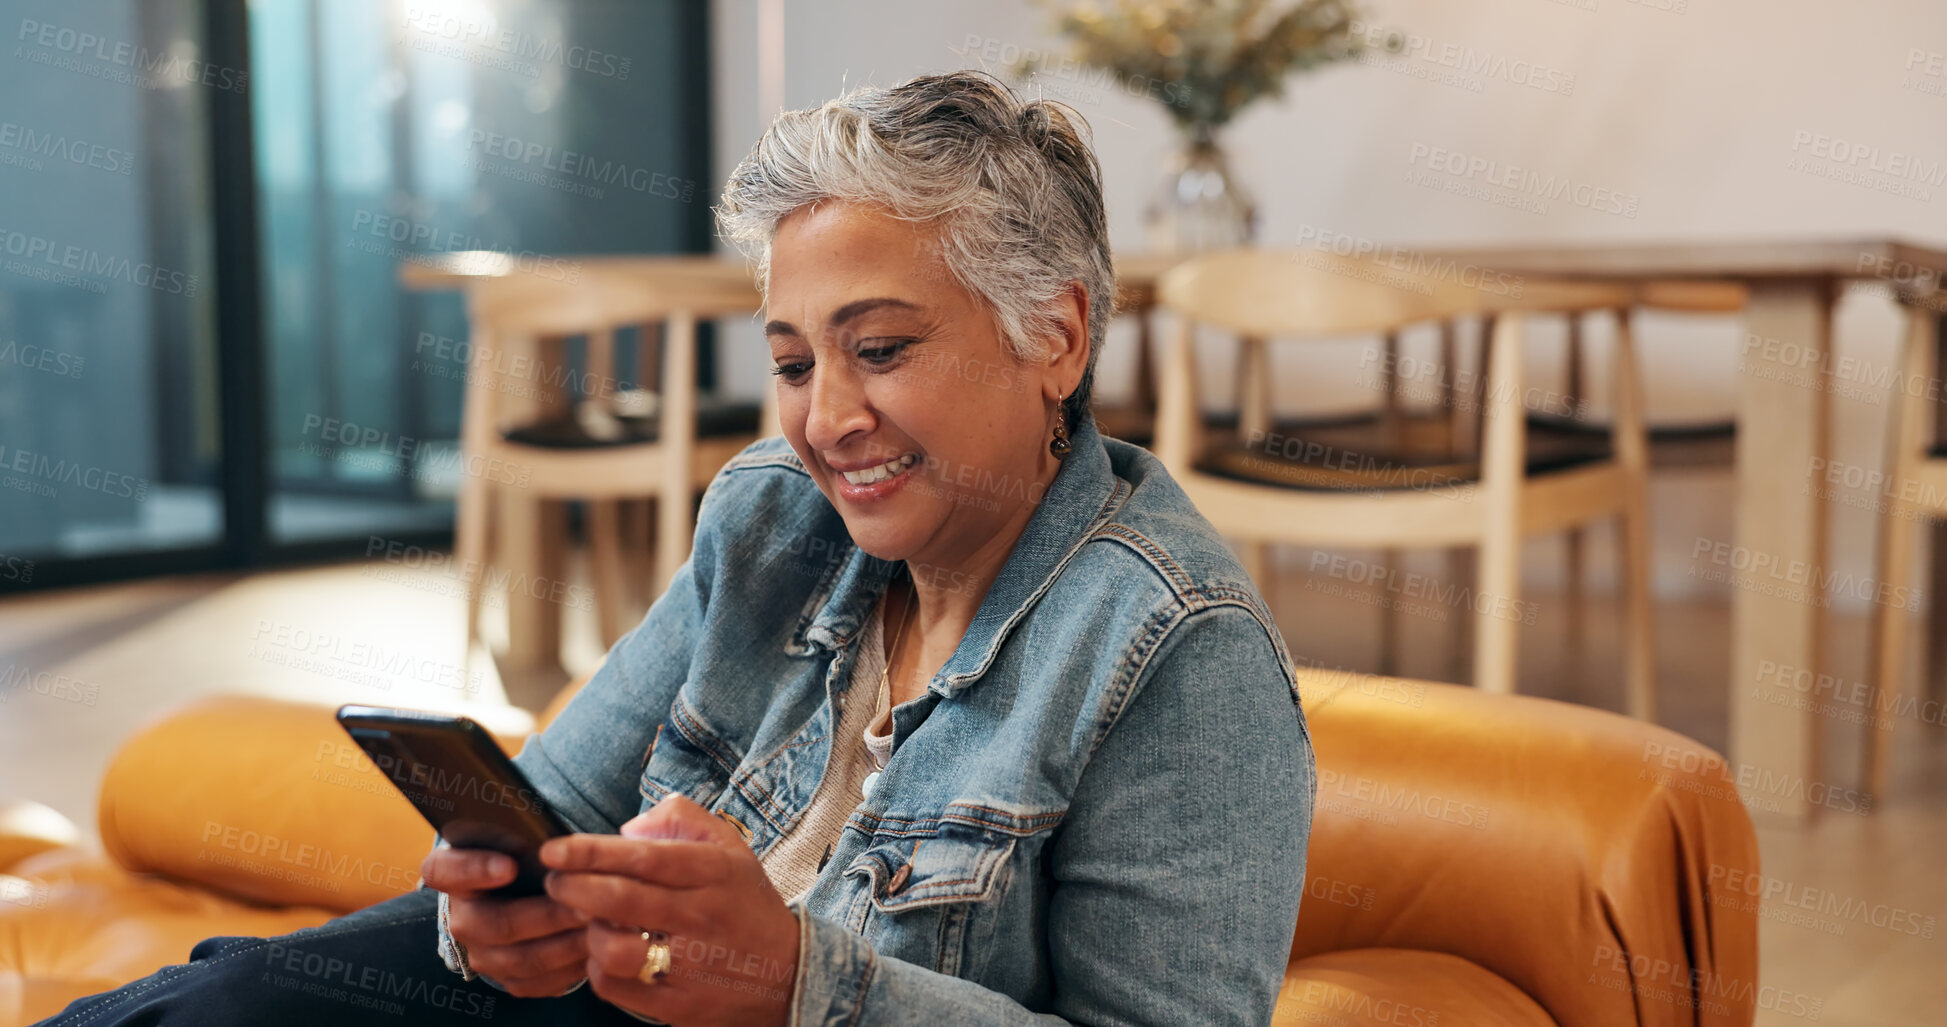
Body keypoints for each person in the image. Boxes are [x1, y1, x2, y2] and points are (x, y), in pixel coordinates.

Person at [38, 69, 1314, 1027]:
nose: (828, 420)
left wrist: (798, 981)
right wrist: (492, 917)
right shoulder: (770, 517)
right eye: (792, 362)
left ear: (1059, 335)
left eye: (881, 350)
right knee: (239, 998)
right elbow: (567, 809)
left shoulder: (1177, 648)